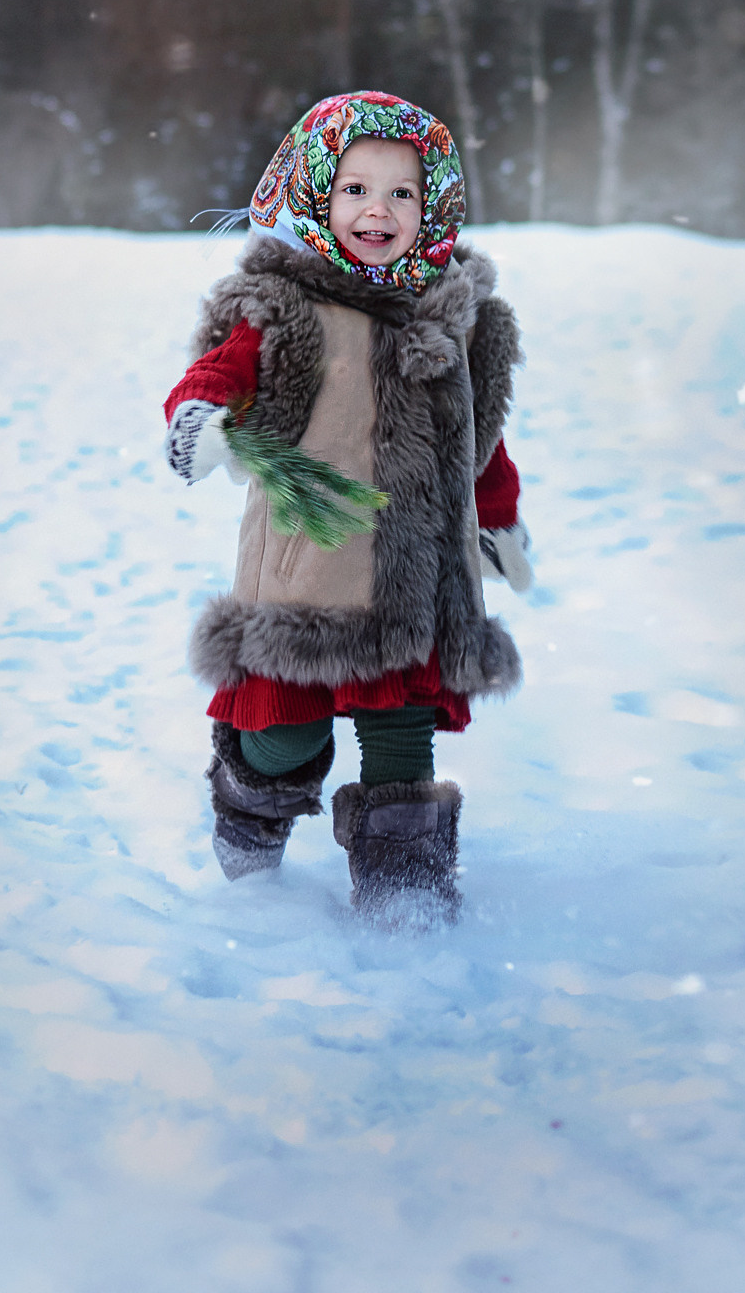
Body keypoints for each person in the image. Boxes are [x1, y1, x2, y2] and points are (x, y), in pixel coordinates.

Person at [162, 91, 531, 925]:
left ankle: (407, 884)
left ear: (432, 208)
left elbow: (474, 441)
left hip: (417, 583)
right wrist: (201, 415)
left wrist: (497, 519)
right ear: (319, 196)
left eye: (403, 194)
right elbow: (223, 370)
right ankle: (249, 794)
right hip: (309, 573)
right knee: (288, 738)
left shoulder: (452, 320)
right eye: (357, 189)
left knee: (402, 737)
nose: (379, 210)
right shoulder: (287, 306)